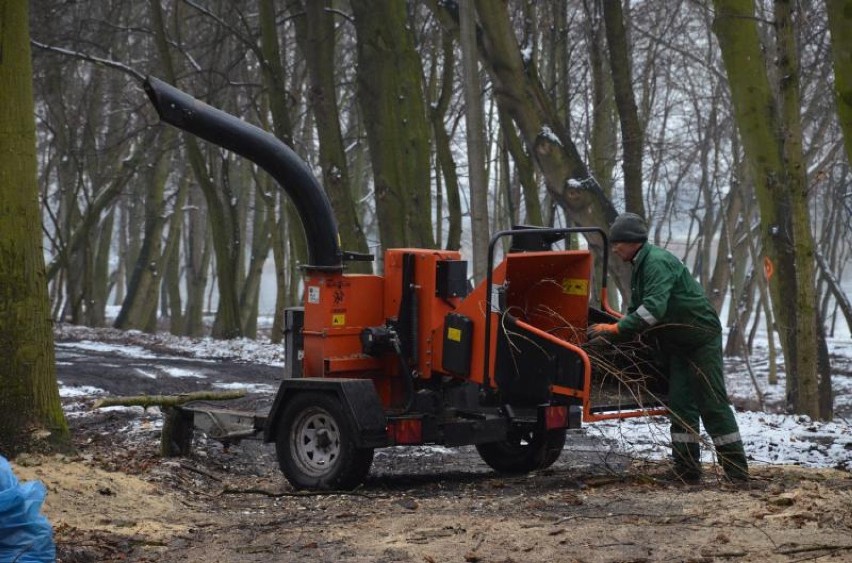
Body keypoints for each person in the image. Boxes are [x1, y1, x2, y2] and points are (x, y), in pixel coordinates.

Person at [588, 212, 749, 484]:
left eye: (618, 243)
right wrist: (623, 331)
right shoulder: (640, 264)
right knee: (681, 405)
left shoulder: (656, 263)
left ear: (633, 242)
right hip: (677, 343)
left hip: (699, 338)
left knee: (712, 403)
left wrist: (615, 330)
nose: (614, 248)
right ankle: (686, 470)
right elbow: (636, 308)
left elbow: (652, 310)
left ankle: (737, 474)